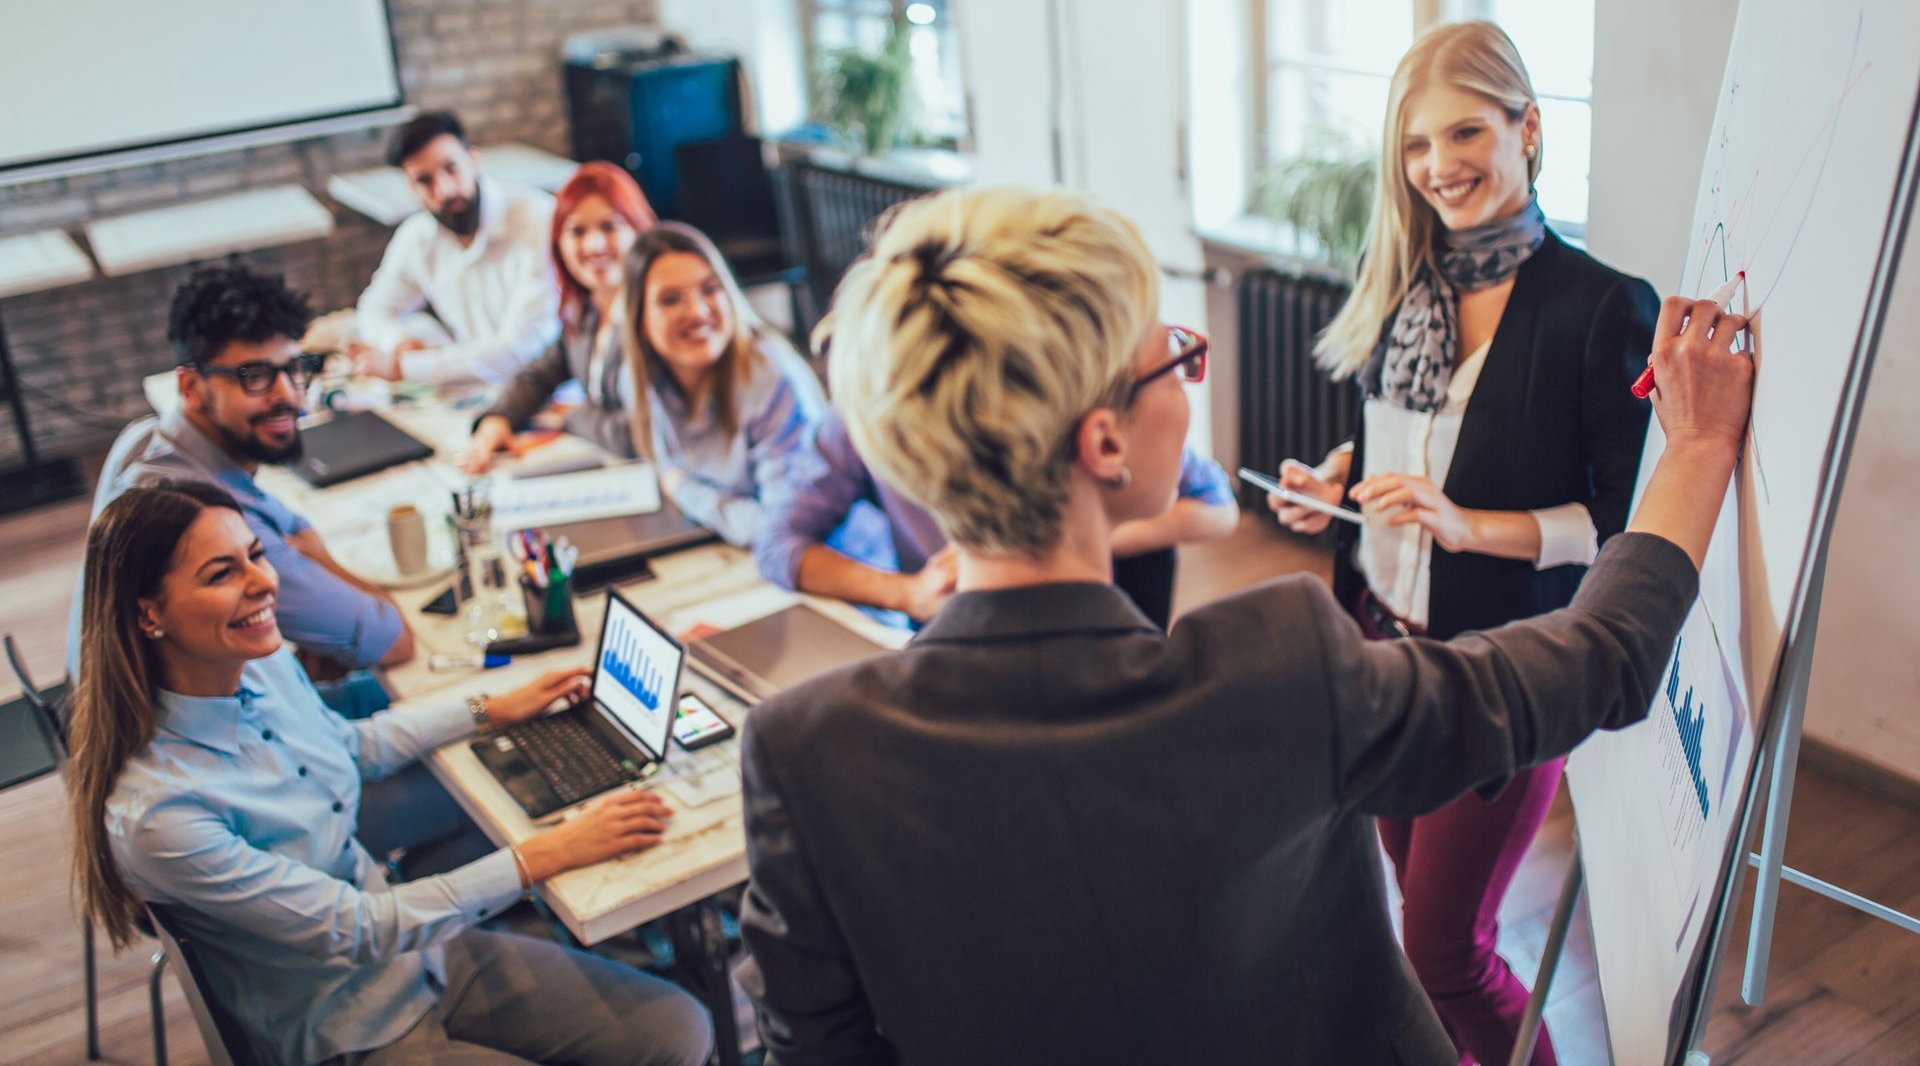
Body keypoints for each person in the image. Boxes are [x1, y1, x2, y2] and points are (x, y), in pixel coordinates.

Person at [733, 184, 1751, 1065]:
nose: (1188, 371)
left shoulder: (804, 754)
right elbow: (1601, 661)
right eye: (1174, 353)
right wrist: (1699, 445)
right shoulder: (1277, 668)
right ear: (1103, 441)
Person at [1270, 20, 1658, 1066]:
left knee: (1443, 946)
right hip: (1381, 647)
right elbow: (1412, 436)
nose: (1438, 166)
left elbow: (1621, 527)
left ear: (1528, 127)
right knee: (1406, 901)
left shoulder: (1601, 307)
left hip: (1501, 669)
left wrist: (1466, 526)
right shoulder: (1408, 283)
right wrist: (1337, 481)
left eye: (1465, 131)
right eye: (1414, 144)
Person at [67, 479, 714, 1066]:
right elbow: (358, 928)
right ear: (148, 612)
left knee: (680, 1030)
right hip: (348, 1030)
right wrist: (544, 855)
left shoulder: (256, 665)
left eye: (256, 555)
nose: (264, 583)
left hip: (415, 957)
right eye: (221, 574)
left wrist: (491, 707)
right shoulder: (160, 814)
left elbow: (351, 745)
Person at [68, 262, 411, 682]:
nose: (288, 396)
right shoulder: (200, 520)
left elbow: (294, 531)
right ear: (192, 388)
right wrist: (316, 558)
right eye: (255, 376)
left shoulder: (145, 439)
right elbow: (392, 641)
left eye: (294, 368)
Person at [753, 404, 1237, 626]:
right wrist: (907, 593)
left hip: (1091, 626)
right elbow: (777, 544)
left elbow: (1216, 505)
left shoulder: (1066, 399)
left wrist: (1090, 537)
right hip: (955, 629)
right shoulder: (862, 417)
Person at [621, 223, 827, 546]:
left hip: (829, 563)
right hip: (728, 549)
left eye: (710, 289)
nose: (698, 312)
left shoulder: (771, 378)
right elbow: (663, 465)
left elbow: (782, 531)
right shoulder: (637, 379)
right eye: (671, 299)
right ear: (639, 319)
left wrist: (684, 491)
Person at [464, 162, 658, 473]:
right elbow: (539, 373)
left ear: (638, 229)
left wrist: (570, 418)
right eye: (577, 231)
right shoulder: (587, 312)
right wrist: (496, 418)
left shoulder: (657, 316)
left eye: (609, 226)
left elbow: (637, 433)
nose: (594, 245)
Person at [352, 111, 560, 386]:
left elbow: (520, 350)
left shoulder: (536, 218)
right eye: (424, 180)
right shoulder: (417, 236)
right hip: (472, 391)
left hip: (549, 394)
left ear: (473, 160)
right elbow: (374, 309)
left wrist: (406, 367)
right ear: (410, 187)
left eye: (451, 168)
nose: (445, 190)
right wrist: (399, 342)